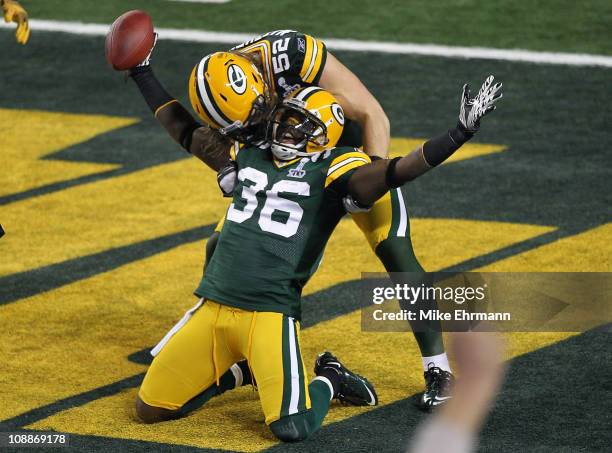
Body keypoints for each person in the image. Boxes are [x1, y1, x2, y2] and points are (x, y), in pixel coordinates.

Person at [135, 74, 502, 441]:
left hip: (269, 314)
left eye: (300, 127)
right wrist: (141, 72)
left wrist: (458, 134)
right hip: (215, 305)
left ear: (322, 136)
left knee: (291, 428)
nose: (285, 132)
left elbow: (397, 170)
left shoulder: (334, 169)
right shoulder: (249, 151)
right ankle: (240, 373)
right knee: (151, 409)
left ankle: (332, 378)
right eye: (285, 121)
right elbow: (186, 131)